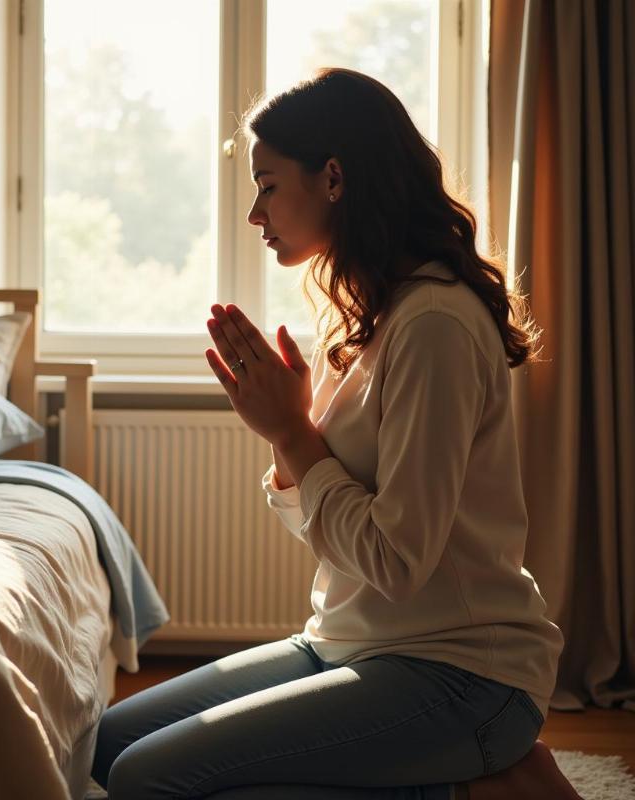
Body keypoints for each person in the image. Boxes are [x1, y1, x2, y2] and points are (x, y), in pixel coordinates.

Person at [91, 68, 583, 800]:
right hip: (349, 641)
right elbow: (331, 527)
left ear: (332, 178)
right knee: (108, 745)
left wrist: (293, 436)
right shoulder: (366, 318)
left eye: (266, 185)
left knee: (149, 779)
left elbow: (396, 560)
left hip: (461, 671)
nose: (256, 214)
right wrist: (286, 441)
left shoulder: (435, 327)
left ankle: (481, 788)